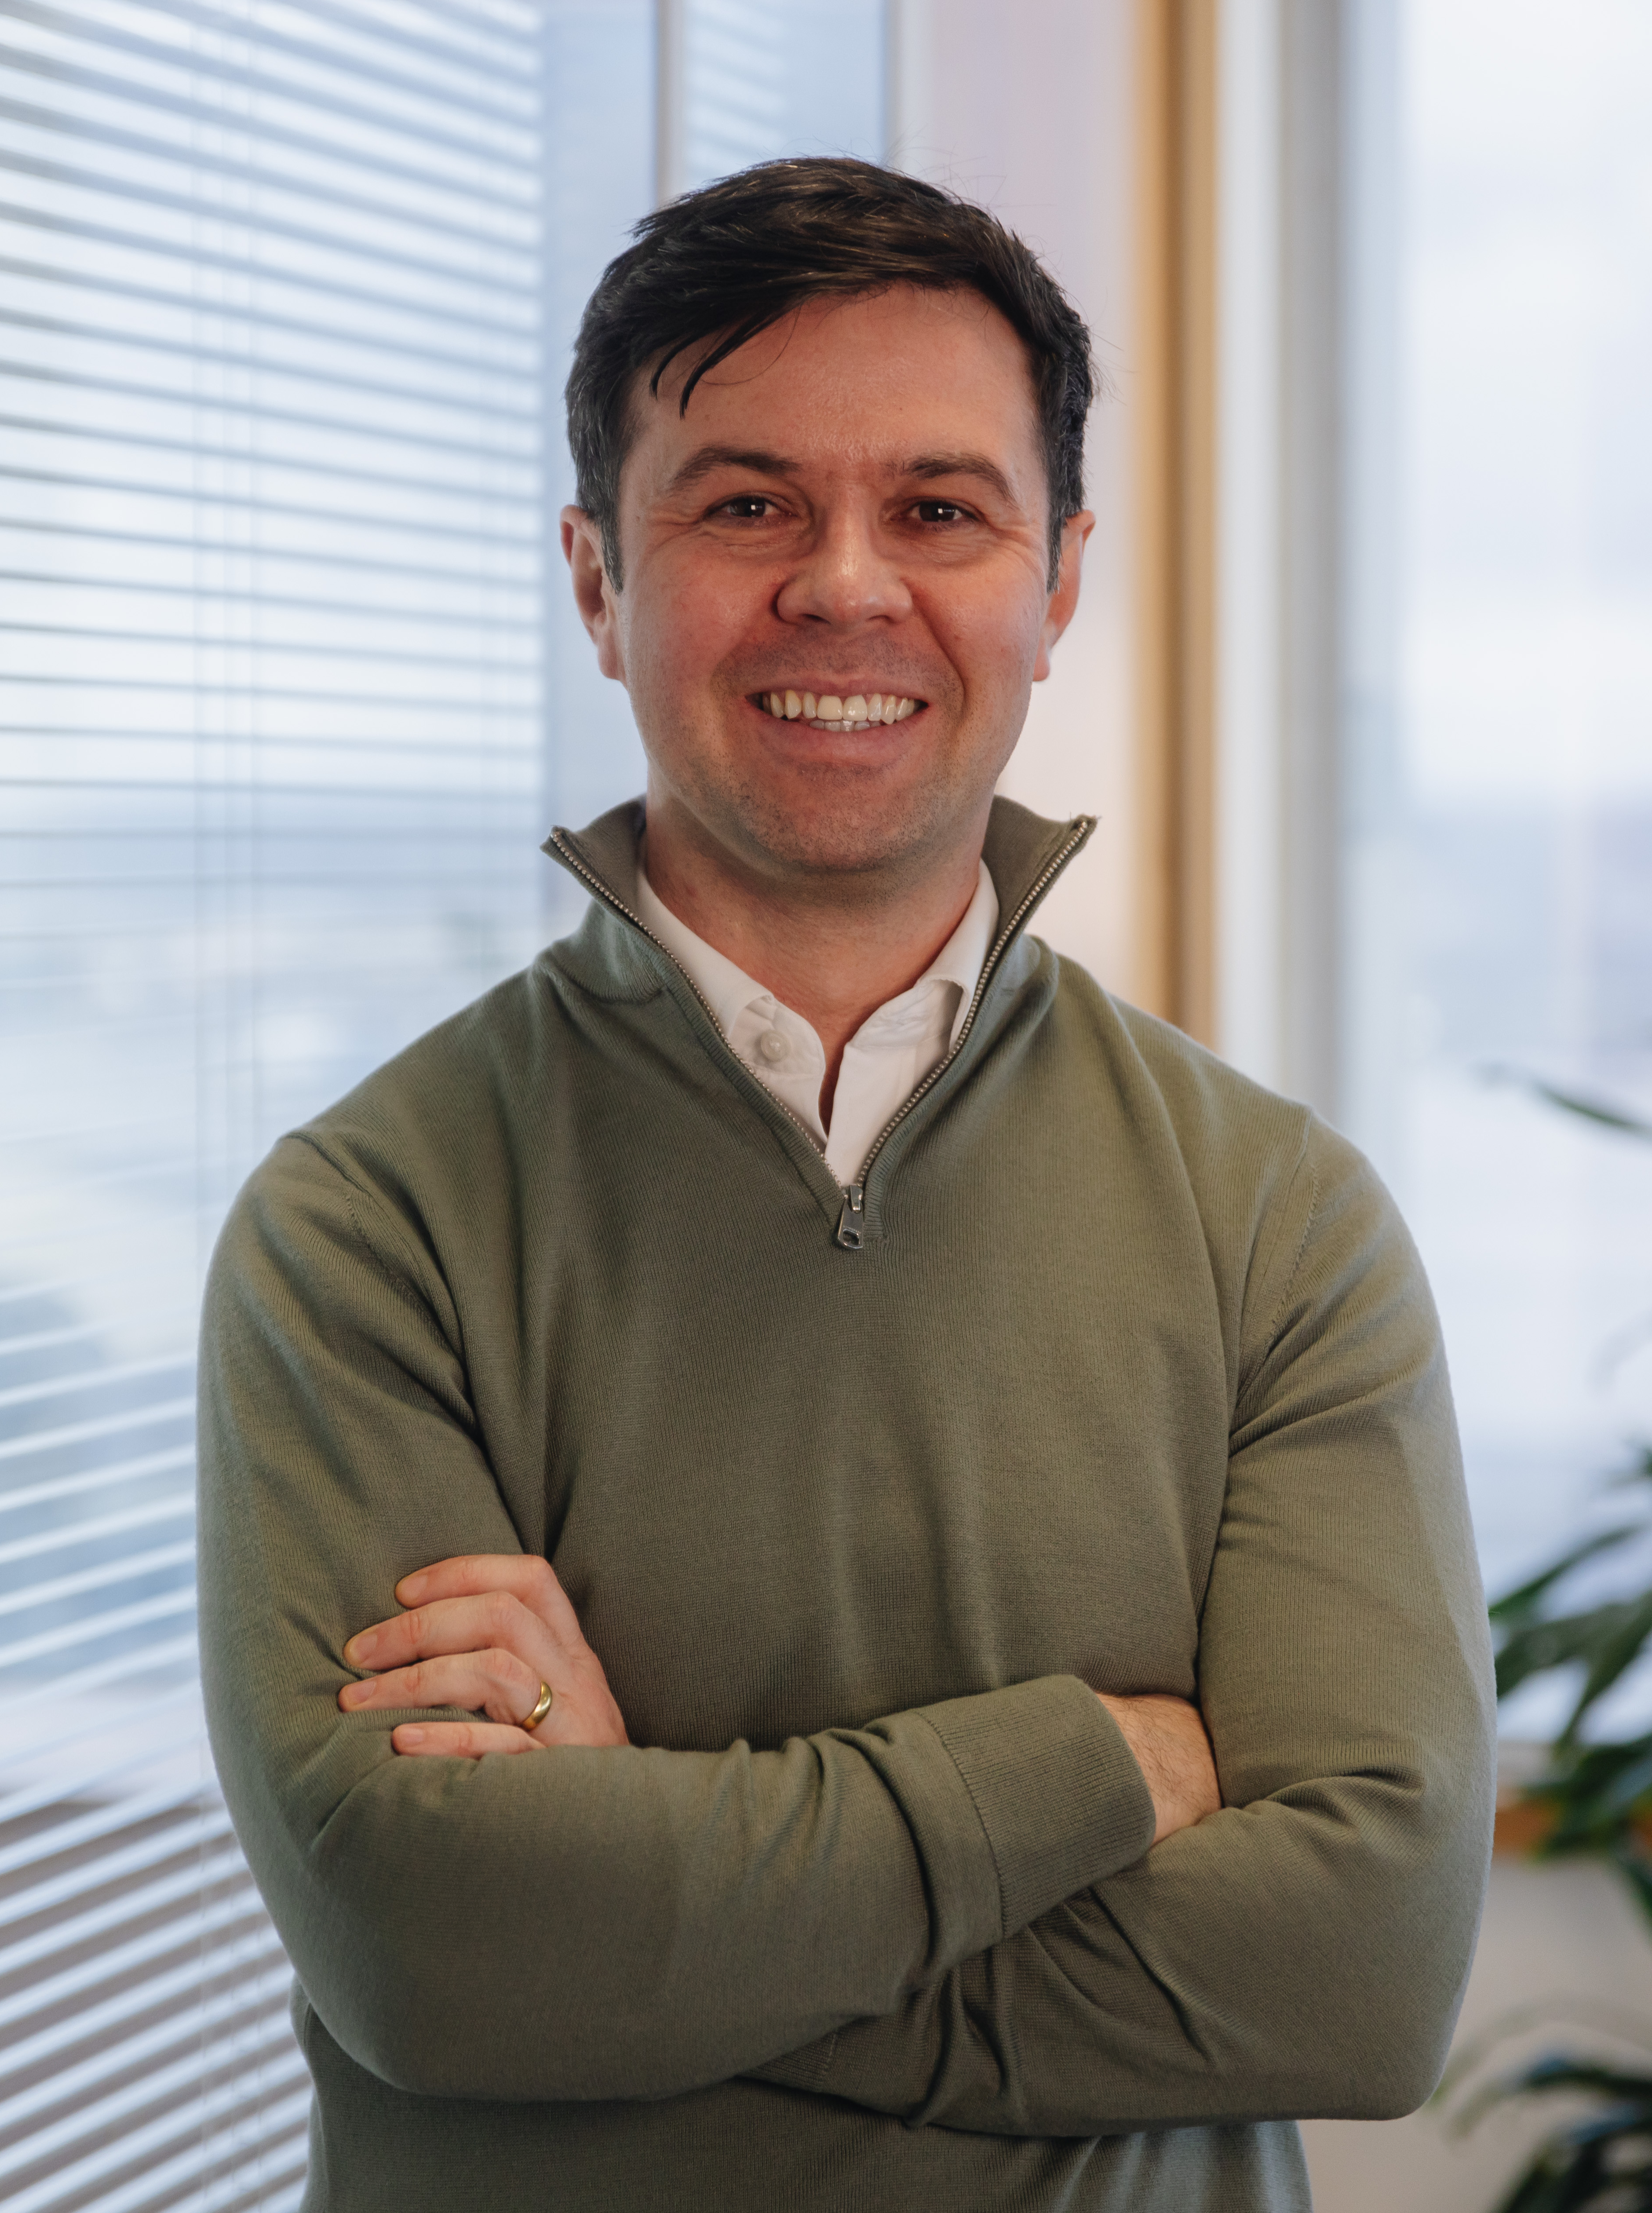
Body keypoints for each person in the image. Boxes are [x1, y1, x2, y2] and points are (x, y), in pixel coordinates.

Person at [199, 156, 1493, 2213]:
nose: (844, 585)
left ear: (1058, 580)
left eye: (941, 509)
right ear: (597, 578)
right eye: (743, 504)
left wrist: (656, 1909)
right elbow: (438, 1958)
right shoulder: (371, 1228)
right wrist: (1092, 1766)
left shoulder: (1279, 1228)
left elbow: (1359, 1971)